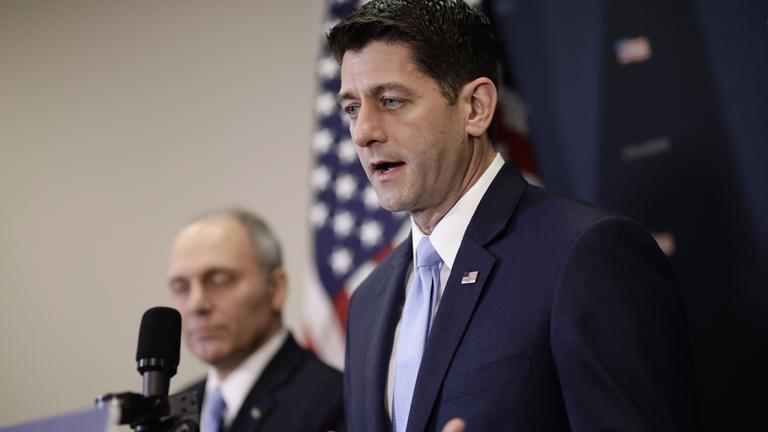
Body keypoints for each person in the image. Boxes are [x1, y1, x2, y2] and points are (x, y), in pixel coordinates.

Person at [327, 1, 700, 431]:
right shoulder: (368, 303)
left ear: (476, 108)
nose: (362, 132)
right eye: (352, 108)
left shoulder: (585, 256)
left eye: (390, 101)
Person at [167, 208, 344, 432]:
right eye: (181, 287)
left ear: (276, 288)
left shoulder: (333, 402)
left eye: (219, 280)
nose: (196, 304)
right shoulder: (172, 414)